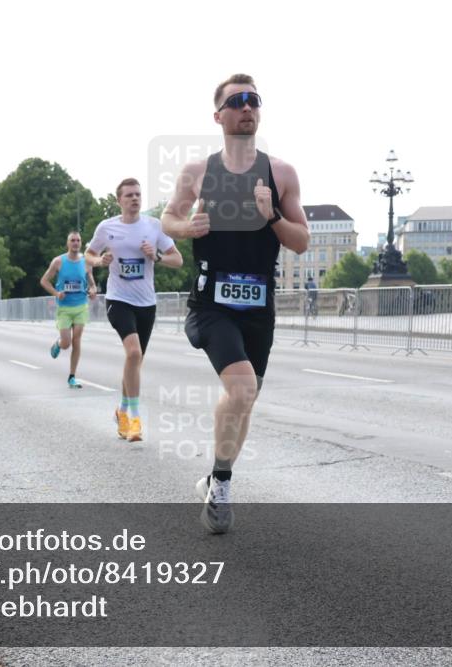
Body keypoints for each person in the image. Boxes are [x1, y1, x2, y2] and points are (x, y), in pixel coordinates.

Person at [162, 74, 309, 533]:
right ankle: (222, 484)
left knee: (245, 399)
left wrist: (273, 217)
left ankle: (214, 477)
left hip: (259, 305)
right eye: (237, 101)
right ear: (218, 115)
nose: (247, 107)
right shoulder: (197, 172)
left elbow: (301, 241)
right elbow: (168, 218)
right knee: (243, 389)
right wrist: (188, 229)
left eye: (254, 100)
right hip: (212, 303)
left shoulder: (280, 173)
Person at [86, 178, 182, 442]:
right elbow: (89, 255)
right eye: (129, 195)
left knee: (134, 361)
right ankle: (134, 420)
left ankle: (122, 409)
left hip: (146, 303)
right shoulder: (107, 227)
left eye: (138, 194)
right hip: (118, 299)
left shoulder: (154, 227)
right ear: (119, 200)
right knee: (133, 352)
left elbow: (178, 259)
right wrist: (100, 260)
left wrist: (157, 256)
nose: (135, 199)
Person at [40, 230, 98, 388]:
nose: (76, 243)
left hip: (81, 306)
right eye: (72, 240)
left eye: (78, 240)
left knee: (77, 340)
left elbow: (92, 284)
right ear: (68, 243)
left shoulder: (86, 262)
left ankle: (72, 376)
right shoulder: (58, 262)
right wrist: (56, 293)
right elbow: (44, 281)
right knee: (67, 343)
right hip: (64, 308)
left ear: (80, 243)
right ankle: (58, 344)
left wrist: (93, 291)